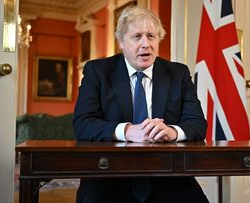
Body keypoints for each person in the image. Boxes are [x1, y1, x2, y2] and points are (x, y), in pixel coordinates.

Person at [73, 6, 208, 203]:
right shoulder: (98, 71)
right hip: (109, 173)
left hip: (168, 173)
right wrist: (127, 131)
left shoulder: (178, 74)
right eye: (137, 36)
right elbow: (82, 124)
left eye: (151, 36)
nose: (146, 44)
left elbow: (197, 124)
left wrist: (172, 131)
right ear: (121, 42)